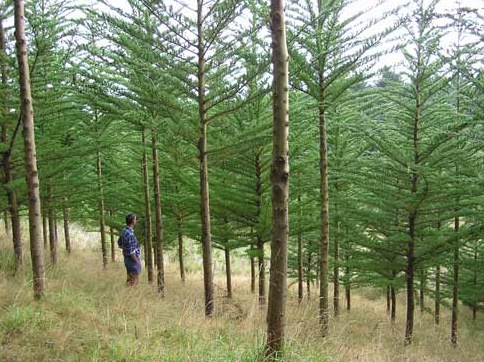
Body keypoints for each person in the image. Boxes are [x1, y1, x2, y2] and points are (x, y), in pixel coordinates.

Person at [119, 213, 142, 286]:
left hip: (127, 259)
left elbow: (119, 243)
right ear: (133, 221)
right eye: (135, 219)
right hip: (132, 260)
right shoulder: (130, 234)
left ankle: (126, 295)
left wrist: (125, 249)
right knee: (134, 281)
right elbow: (132, 252)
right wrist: (137, 262)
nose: (136, 220)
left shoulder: (124, 231)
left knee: (129, 280)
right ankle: (132, 296)